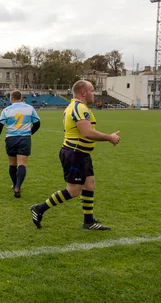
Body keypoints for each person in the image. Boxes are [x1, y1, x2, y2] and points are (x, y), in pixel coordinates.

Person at [30, 80, 120, 231]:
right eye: (92, 90)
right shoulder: (78, 107)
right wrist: (109, 137)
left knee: (89, 184)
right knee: (73, 191)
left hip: (81, 153)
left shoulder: (77, 107)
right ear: (83, 92)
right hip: (75, 153)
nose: (94, 93)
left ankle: (89, 222)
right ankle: (39, 209)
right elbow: (87, 133)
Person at [0, 90, 41, 198]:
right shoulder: (29, 108)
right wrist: (30, 133)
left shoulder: (6, 110)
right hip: (24, 138)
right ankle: (18, 186)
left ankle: (15, 184)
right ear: (21, 97)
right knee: (22, 164)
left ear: (11, 98)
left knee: (12, 164)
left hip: (11, 139)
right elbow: (37, 123)